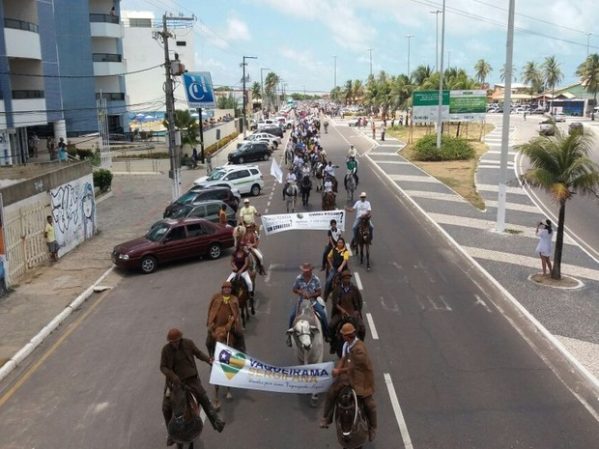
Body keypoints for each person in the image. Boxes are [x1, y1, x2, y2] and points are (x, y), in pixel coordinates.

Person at [160, 328, 225, 446]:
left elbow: (198, 354)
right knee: (166, 407)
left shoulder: (188, 343)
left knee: (204, 398)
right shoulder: (165, 350)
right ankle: (171, 433)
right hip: (175, 383)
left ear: (180, 339)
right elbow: (163, 367)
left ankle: (216, 421)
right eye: (172, 342)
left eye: (176, 341)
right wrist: (173, 376)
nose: (174, 343)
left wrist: (209, 360)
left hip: (191, 380)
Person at [320, 322, 377, 442]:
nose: (342, 336)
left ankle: (372, 428)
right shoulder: (347, 344)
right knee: (332, 391)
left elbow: (353, 367)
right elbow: (344, 358)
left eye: (343, 335)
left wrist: (339, 371)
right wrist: (337, 369)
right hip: (350, 375)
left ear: (348, 335)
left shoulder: (359, 349)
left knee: (369, 404)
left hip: (361, 377)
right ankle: (327, 417)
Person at [288, 263, 328, 346]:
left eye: (307, 271)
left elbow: (319, 292)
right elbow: (294, 289)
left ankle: (327, 333)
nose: (305, 272)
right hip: (301, 301)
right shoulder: (299, 278)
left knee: (322, 314)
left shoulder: (315, 279)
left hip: (313, 302)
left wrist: (311, 295)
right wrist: (301, 292)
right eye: (304, 271)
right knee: (292, 316)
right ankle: (290, 336)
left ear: (311, 270)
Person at [329, 271, 363, 353]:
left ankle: (361, 343)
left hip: (352, 313)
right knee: (331, 326)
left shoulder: (354, 289)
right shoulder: (337, 290)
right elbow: (335, 303)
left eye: (348, 278)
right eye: (345, 279)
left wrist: (357, 311)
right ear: (342, 280)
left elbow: (359, 301)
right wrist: (342, 310)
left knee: (362, 327)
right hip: (340, 313)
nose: (347, 280)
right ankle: (333, 344)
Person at [206, 281, 245, 353]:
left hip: (229, 325)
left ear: (231, 289)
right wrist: (210, 322)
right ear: (222, 289)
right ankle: (211, 356)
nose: (227, 289)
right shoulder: (216, 297)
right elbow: (211, 309)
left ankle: (242, 352)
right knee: (208, 343)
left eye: (229, 288)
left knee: (239, 334)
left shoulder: (234, 299)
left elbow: (235, 313)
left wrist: (230, 323)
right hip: (216, 325)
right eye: (225, 287)